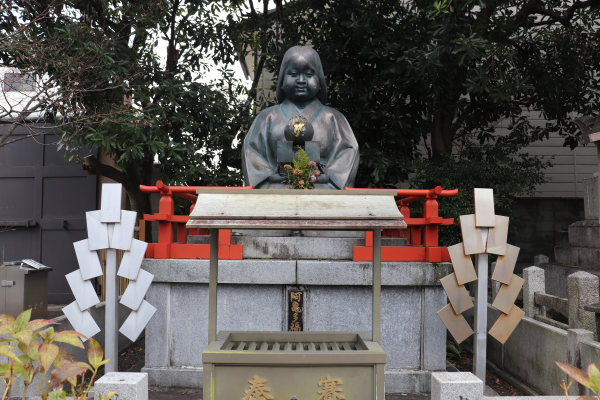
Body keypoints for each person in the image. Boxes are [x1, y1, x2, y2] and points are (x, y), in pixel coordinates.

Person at [242, 46, 359, 189]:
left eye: (309, 75)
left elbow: (348, 151)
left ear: (320, 80)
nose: (301, 80)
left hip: (324, 189)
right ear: (282, 79)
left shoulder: (333, 118)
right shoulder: (267, 117)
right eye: (293, 73)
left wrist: (328, 175)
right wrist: (270, 175)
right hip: (276, 188)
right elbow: (252, 152)